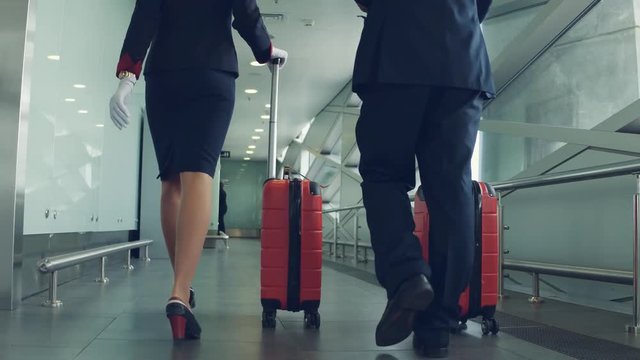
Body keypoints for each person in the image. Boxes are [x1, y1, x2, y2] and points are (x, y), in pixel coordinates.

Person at [109, 0, 287, 340]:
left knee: (171, 183)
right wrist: (265, 51)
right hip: (213, 71)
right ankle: (179, 293)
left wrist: (127, 79)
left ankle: (183, 291)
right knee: (199, 175)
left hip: (164, 76)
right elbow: (245, 10)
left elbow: (145, 15)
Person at [352, 0, 494, 357]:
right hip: (462, 58)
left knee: (383, 173)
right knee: (452, 189)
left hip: (395, 53)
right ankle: (437, 326)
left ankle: (407, 274)